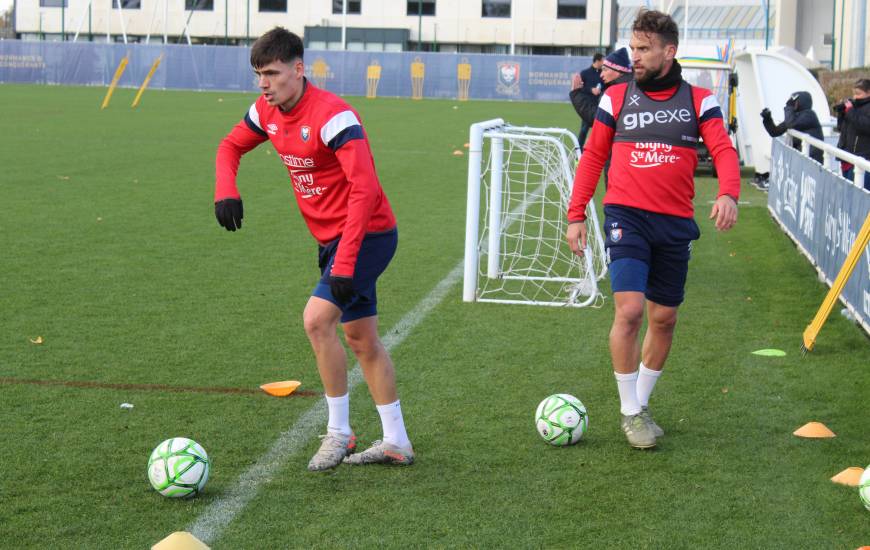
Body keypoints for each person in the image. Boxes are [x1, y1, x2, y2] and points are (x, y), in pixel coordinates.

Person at [214, 27, 414, 470]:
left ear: (299, 69)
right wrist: (226, 188)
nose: (263, 84)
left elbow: (364, 190)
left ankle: (339, 434)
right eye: (258, 75)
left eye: (272, 73)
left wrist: (345, 262)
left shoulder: (334, 116)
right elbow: (230, 146)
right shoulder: (265, 112)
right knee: (362, 339)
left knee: (316, 322)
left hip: (368, 235)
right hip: (331, 240)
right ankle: (396, 441)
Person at [565, 10, 740, 449]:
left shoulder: (700, 99)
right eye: (634, 48)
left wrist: (729, 193)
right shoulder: (616, 97)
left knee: (665, 318)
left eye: (644, 49)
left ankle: (638, 405)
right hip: (626, 217)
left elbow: (721, 148)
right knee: (629, 311)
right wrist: (575, 214)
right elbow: (591, 157)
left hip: (675, 223)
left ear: (669, 51)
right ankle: (629, 412)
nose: (635, 56)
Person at [570, 48, 633, 189]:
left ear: (617, 70)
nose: (602, 74)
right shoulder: (633, 86)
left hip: (619, 161)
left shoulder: (617, 92)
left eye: (605, 69)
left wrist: (576, 94)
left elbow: (596, 118)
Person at [760, 91, 823, 164]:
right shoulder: (796, 116)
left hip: (812, 160)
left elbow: (790, 124)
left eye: (794, 101)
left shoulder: (809, 115)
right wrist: (767, 119)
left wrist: (789, 107)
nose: (792, 103)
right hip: (803, 158)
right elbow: (775, 132)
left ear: (801, 102)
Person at [834, 78, 870, 190]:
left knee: (858, 197)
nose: (855, 97)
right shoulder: (854, 107)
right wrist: (841, 114)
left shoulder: (860, 109)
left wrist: (850, 112)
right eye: (854, 94)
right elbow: (841, 129)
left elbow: (866, 126)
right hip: (847, 159)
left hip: (861, 161)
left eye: (858, 94)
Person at [570, 53, 604, 149]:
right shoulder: (585, 73)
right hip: (588, 108)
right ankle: (578, 151)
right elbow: (581, 88)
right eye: (602, 61)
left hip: (600, 107)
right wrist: (591, 90)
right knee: (584, 130)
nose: (604, 63)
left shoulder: (603, 73)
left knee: (600, 132)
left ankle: (596, 152)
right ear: (597, 61)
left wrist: (600, 91)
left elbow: (606, 87)